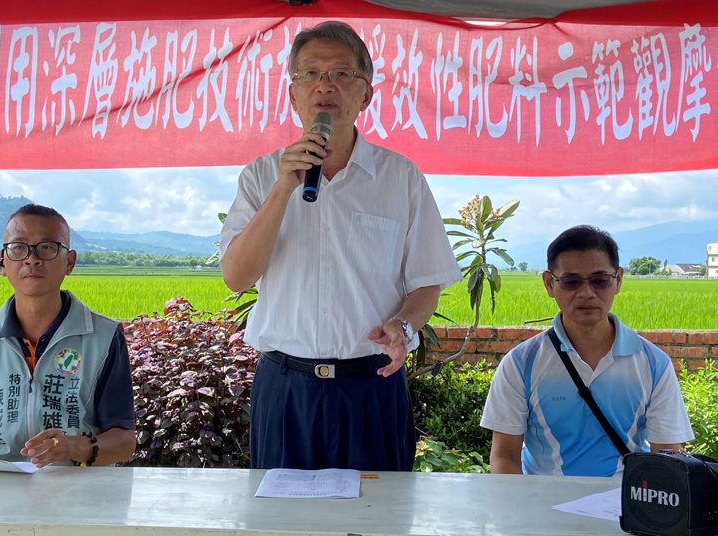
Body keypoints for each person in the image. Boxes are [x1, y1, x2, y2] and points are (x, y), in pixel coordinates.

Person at [220, 21, 460, 471]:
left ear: (365, 94)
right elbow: (237, 276)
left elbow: (428, 281)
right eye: (309, 74)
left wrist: (404, 327)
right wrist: (282, 190)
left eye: (341, 73)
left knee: (377, 516)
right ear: (293, 95)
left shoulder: (400, 177)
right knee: (282, 520)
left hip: (371, 384)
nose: (324, 85)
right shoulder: (259, 175)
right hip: (285, 386)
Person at [0, 204, 136, 471]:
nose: (31, 259)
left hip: (78, 491)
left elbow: (124, 441)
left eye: (47, 247)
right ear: (2, 262)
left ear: (69, 262)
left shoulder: (103, 338)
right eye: (18, 247)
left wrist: (71, 447)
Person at [480, 225, 693, 476]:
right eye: (571, 282)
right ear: (549, 284)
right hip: (542, 508)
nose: (586, 293)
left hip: (624, 507)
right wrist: (519, 513)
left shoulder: (653, 363)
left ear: (618, 280)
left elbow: (666, 455)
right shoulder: (521, 363)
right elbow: (505, 456)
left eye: (599, 281)